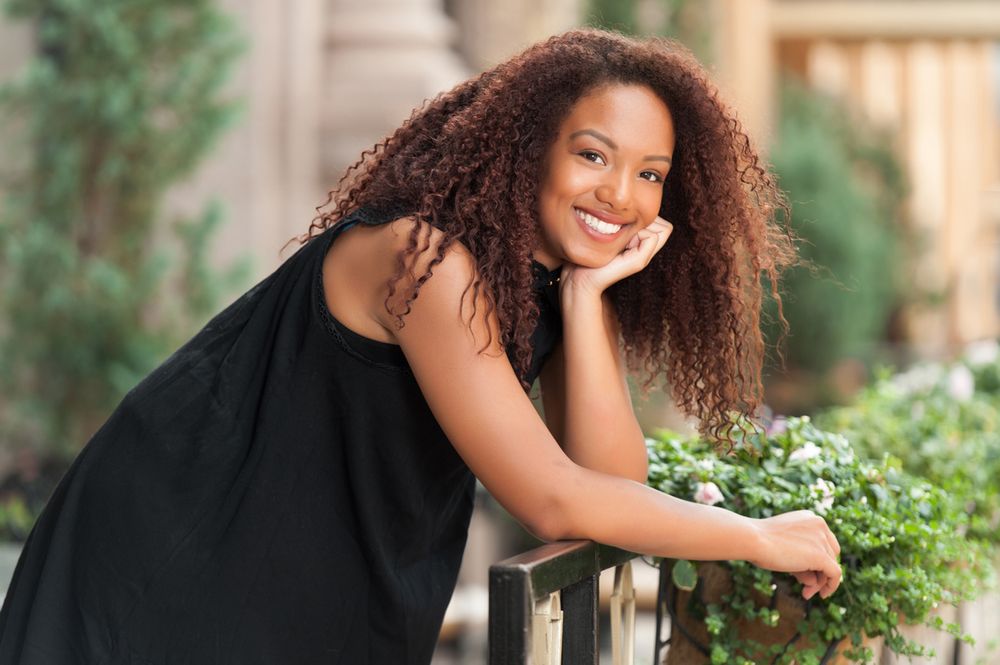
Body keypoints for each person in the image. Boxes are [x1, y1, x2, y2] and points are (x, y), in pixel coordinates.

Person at [0, 28, 841, 665]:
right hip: (179, 563)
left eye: (651, 174)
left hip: (307, 582)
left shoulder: (534, 281)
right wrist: (754, 535)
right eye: (594, 155)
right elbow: (554, 500)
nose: (621, 194)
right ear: (528, 150)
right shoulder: (428, 260)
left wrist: (587, 301)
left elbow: (610, 482)